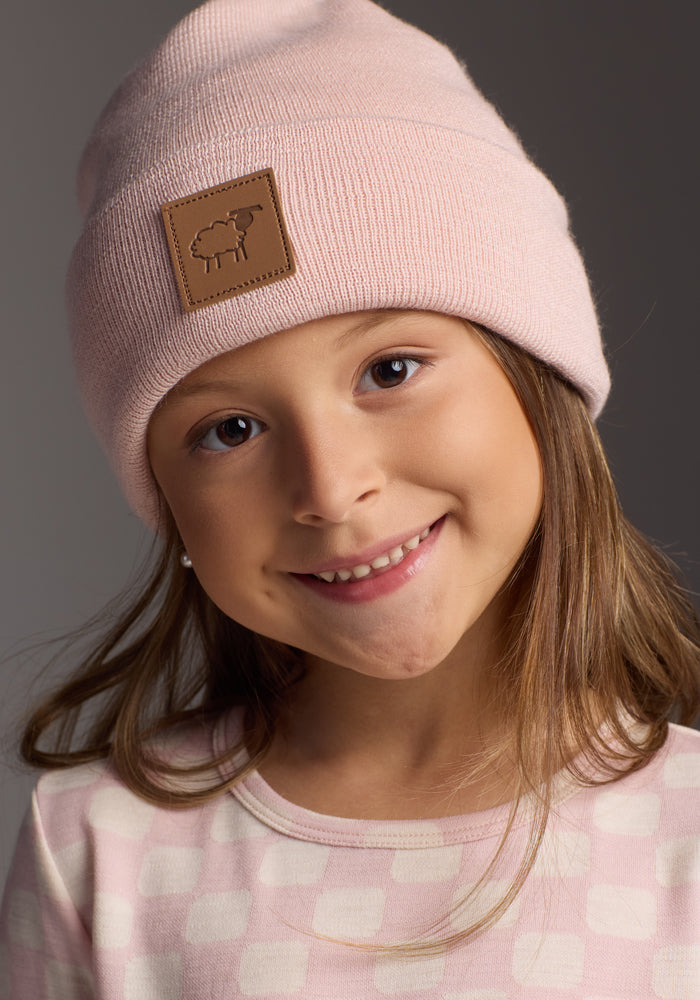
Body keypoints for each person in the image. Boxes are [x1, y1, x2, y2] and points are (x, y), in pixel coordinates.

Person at [2, 1, 699, 996]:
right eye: (229, 430)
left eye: (390, 369)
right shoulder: (100, 849)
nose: (331, 488)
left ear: (536, 371)